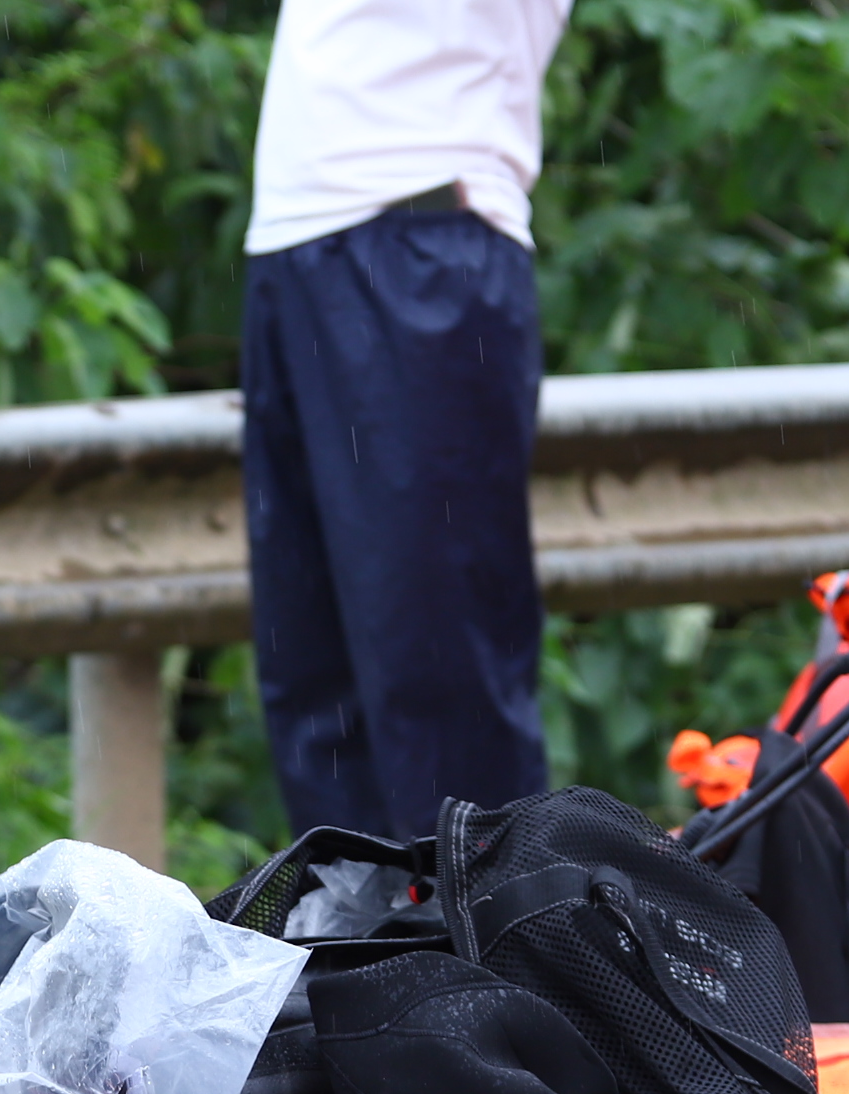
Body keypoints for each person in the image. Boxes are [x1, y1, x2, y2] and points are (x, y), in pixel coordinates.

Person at [239, 0, 571, 842]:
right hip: (295, 242)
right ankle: (358, 961)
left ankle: (496, 963)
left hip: (419, 235)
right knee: (313, 679)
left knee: (441, 681)